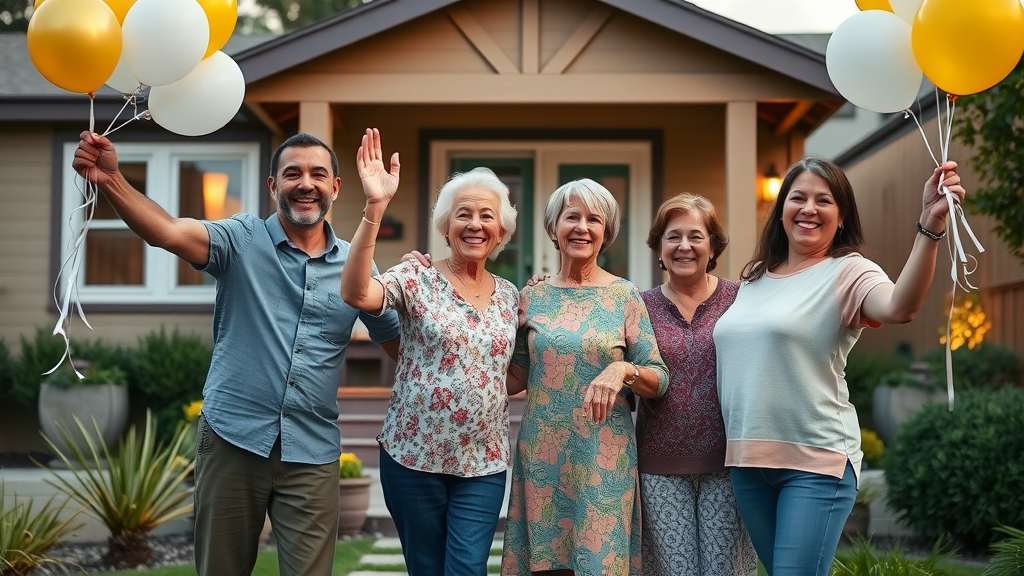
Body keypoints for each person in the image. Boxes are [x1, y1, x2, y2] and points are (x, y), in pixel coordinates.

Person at [72, 131, 401, 576]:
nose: (306, 183)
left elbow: (401, 345)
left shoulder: (355, 264)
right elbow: (167, 232)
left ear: (336, 187)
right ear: (272, 186)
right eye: (293, 173)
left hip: (312, 448)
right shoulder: (241, 238)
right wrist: (111, 180)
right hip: (233, 437)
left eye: (318, 174)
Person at [713, 156, 966, 576]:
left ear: (842, 216)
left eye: (823, 200)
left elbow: (900, 306)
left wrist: (930, 229)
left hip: (816, 462)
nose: (809, 208)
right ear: (781, 211)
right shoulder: (754, 278)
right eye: (798, 198)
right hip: (748, 463)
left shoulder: (848, 271)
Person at [341, 128, 520, 576]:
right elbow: (357, 293)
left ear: (501, 232)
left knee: (466, 569)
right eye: (463, 214)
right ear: (446, 226)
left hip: (483, 461)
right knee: (426, 568)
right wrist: (375, 208)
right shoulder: (415, 277)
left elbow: (509, 373)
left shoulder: (513, 296)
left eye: (485, 216)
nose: (475, 224)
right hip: (413, 457)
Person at [501, 178, 669, 576]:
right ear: (552, 228)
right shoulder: (532, 296)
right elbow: (515, 377)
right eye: (571, 217)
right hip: (542, 456)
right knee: (546, 565)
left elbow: (659, 378)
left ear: (605, 233)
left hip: (603, 458)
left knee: (599, 565)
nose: (582, 227)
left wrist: (623, 369)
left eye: (594, 219)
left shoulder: (625, 296)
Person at [637, 193, 757, 576]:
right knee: (675, 571)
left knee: (725, 570)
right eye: (673, 237)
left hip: (729, 461)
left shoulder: (743, 299)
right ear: (659, 247)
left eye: (695, 236)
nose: (684, 246)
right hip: (659, 465)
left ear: (713, 245)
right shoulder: (638, 306)